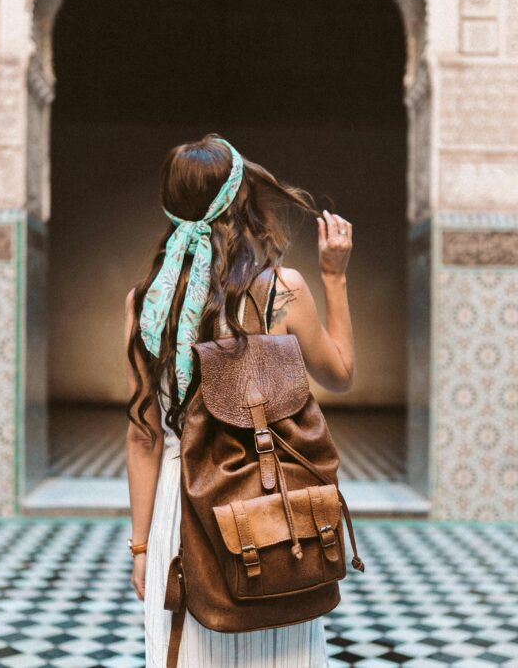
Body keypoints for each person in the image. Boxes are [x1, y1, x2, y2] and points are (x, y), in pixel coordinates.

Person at [122, 133, 355, 667]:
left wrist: (140, 549)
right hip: (272, 515)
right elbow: (340, 374)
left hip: (181, 511)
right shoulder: (282, 291)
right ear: (239, 203)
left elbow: (144, 433)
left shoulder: (145, 304)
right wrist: (335, 279)